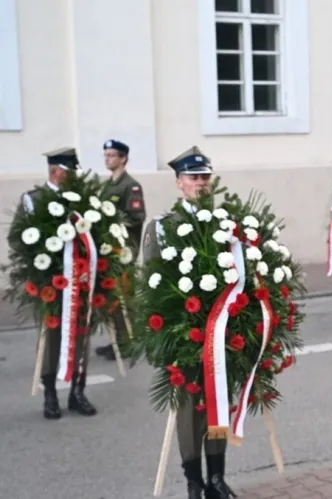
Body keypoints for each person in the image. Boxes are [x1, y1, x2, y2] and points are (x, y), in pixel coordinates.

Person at [141, 146, 236, 499]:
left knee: (218, 402)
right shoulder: (163, 228)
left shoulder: (226, 224)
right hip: (186, 333)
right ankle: (193, 480)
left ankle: (216, 478)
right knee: (188, 408)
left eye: (204, 177)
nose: (200, 183)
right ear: (179, 183)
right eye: (193, 178)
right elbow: (151, 285)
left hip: (222, 332)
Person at [8, 147, 98, 420]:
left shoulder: (82, 201)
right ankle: (50, 393)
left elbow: (96, 235)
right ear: (57, 171)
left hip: (81, 280)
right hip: (51, 283)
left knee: (82, 333)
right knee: (52, 337)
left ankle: (77, 392)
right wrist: (40, 259)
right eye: (70, 173)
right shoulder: (33, 200)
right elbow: (16, 238)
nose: (74, 178)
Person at [95, 139, 146, 361]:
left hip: (124, 250)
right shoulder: (107, 186)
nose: (108, 159)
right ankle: (118, 340)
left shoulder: (130, 186)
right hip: (108, 250)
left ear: (123, 158)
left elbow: (137, 217)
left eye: (112, 155)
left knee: (124, 296)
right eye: (105, 155)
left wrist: (114, 224)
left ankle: (129, 343)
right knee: (112, 297)